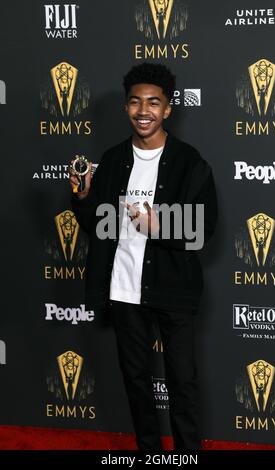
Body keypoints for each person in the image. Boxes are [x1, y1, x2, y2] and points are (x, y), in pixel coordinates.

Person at [69, 62, 218, 451]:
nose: (143, 110)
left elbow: (204, 228)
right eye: (135, 102)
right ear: (126, 108)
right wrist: (84, 196)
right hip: (123, 289)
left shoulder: (190, 162)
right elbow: (99, 227)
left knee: (181, 381)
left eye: (154, 102)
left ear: (168, 109)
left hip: (173, 289)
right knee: (136, 381)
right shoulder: (113, 159)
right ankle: (150, 454)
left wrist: (159, 226)